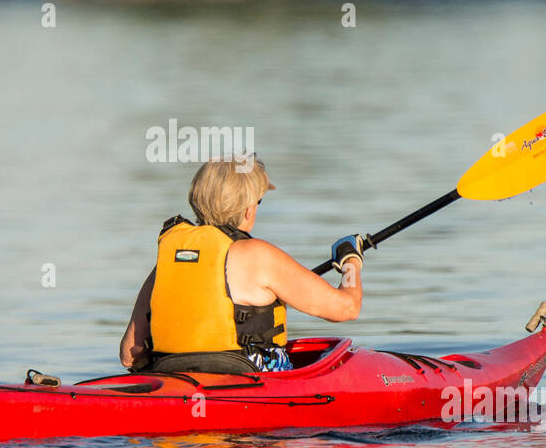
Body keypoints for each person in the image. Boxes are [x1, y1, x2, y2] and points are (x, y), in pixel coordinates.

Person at [119, 156, 367, 373]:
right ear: (248, 209)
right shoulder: (258, 255)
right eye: (258, 202)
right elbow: (347, 308)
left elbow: (129, 354)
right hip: (249, 382)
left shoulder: (169, 261)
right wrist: (350, 261)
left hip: (175, 379)